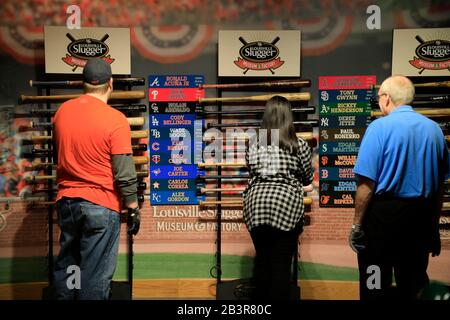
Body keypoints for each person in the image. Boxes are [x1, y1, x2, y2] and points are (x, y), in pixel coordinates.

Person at [349, 75, 448, 300]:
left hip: (382, 221)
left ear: (387, 99)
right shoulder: (434, 131)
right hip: (420, 219)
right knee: (412, 287)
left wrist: (356, 226)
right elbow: (440, 187)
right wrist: (433, 227)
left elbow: (366, 184)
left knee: (374, 283)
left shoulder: (378, 128)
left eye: (379, 97)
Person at [52, 58, 141, 300]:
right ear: (110, 84)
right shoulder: (115, 119)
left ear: (83, 84)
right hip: (100, 204)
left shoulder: (61, 112)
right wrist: (133, 206)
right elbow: (123, 170)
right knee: (94, 274)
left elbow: (57, 154)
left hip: (67, 202)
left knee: (70, 266)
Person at [243, 95, 313, 300]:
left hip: (256, 205)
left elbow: (251, 170)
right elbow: (307, 176)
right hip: (286, 205)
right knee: (281, 267)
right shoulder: (299, 144)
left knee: (263, 263)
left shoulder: (254, 144)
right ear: (289, 117)